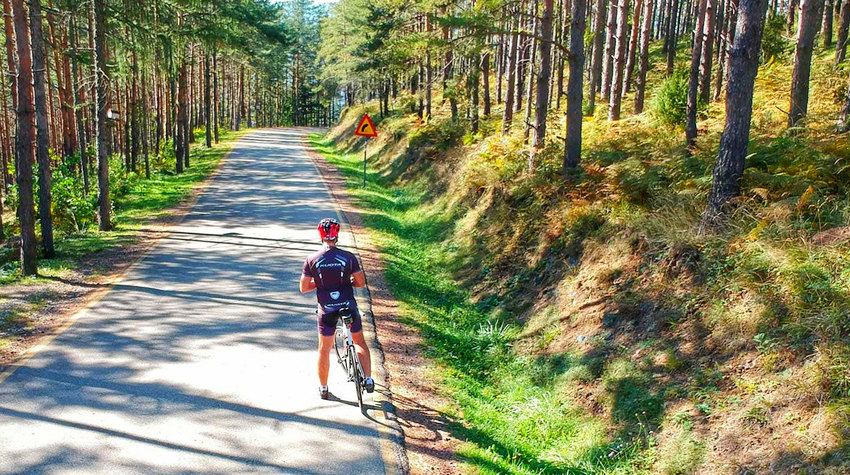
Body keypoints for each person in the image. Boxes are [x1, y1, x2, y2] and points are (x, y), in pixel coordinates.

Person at [300, 217, 374, 400]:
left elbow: (303, 288)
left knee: (324, 350)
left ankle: (324, 388)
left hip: (327, 308)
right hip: (348, 305)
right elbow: (360, 283)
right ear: (337, 235)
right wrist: (346, 281)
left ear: (321, 235)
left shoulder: (311, 260)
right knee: (359, 342)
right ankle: (369, 379)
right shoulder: (348, 258)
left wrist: (320, 285)